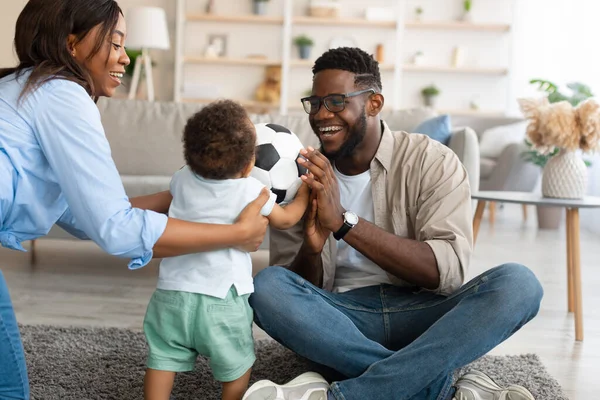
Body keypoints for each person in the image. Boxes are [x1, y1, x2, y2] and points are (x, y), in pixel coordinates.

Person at [0, 1, 270, 399]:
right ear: (72, 44)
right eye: (115, 42)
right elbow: (114, 228)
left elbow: (80, 216)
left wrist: (183, 196)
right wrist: (232, 233)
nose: (125, 58)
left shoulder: (24, 87)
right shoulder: (61, 95)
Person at [244, 47, 544, 400]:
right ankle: (437, 388)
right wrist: (311, 249)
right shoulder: (298, 175)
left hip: (425, 316)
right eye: (316, 102)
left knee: (519, 284)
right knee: (266, 287)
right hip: (341, 320)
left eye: (337, 101)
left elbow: (444, 272)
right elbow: (293, 294)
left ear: (373, 103)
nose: (322, 114)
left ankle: (346, 394)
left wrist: (344, 224)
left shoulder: (432, 161)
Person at [142, 100, 310, 400]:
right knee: (237, 364)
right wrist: (307, 190)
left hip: (171, 296)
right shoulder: (250, 191)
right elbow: (287, 220)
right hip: (223, 300)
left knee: (162, 359)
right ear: (250, 166)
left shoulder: (181, 180)